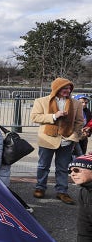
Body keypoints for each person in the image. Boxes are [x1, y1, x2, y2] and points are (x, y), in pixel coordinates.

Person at [30, 77, 83, 205]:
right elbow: (34, 117)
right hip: (47, 140)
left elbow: (79, 122)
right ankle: (40, 187)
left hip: (67, 140)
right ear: (56, 89)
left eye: (69, 88)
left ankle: (62, 192)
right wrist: (54, 116)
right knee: (43, 166)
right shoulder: (41, 101)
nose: (68, 90)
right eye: (64, 88)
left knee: (63, 168)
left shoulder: (76, 103)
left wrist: (74, 136)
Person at [69, 154, 92, 242]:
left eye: (76, 170)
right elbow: (84, 231)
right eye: (70, 171)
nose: (72, 174)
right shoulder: (84, 192)